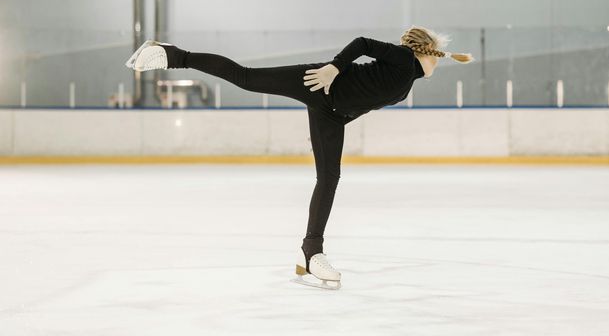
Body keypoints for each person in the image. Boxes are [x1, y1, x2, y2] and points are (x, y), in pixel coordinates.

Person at [125, 25, 474, 290]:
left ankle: (311, 252)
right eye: (437, 61)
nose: (437, 67)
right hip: (316, 81)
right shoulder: (402, 58)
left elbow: (363, 101)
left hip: (332, 114)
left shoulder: (404, 86)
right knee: (246, 78)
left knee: (329, 178)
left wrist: (335, 122)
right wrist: (335, 68)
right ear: (426, 53)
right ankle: (174, 56)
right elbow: (363, 44)